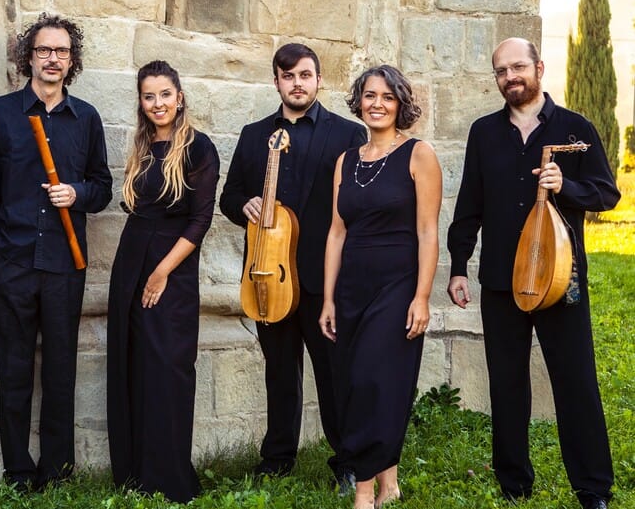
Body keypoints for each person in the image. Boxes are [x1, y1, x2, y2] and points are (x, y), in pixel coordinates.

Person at [446, 38, 618, 509]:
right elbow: (470, 205)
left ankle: (593, 489)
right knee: (506, 383)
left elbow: (607, 194)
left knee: (576, 381)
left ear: (539, 67)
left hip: (562, 277)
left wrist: (569, 186)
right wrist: (459, 266)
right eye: (501, 71)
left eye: (518, 66)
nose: (510, 77)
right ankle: (514, 483)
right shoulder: (484, 132)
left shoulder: (575, 129)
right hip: (501, 279)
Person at [0, 13, 113, 490]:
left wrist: (77, 194)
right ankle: (17, 469)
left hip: (63, 266)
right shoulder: (0, 113)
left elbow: (103, 187)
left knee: (60, 370)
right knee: (12, 370)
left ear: (72, 61)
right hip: (12, 261)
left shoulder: (87, 118)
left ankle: (57, 470)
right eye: (43, 50)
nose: (52, 59)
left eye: (62, 52)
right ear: (27, 57)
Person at [219, 43, 366, 488]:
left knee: (334, 374)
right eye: (288, 76)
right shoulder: (252, 134)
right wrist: (243, 203)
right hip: (269, 273)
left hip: (323, 279)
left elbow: (358, 206)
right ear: (277, 82)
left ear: (319, 80)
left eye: (305, 75)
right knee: (280, 371)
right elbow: (229, 197)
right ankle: (277, 458)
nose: (296, 83)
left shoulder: (348, 134)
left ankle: (348, 463)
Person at [318, 65, 441, 509]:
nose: (377, 104)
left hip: (397, 286)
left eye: (387, 97)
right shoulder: (346, 161)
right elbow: (336, 232)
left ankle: (364, 491)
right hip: (351, 287)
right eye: (370, 95)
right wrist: (329, 298)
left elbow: (428, 232)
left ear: (400, 104)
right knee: (358, 383)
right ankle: (389, 481)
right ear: (359, 101)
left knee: (375, 380)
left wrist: (422, 297)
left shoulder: (418, 154)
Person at [106, 60, 219, 503]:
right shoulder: (141, 144)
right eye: (149, 96)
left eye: (165, 94)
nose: (158, 104)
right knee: (132, 364)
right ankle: (134, 472)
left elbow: (201, 220)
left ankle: (169, 476)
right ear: (141, 100)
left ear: (180, 96)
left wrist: (160, 272)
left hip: (171, 267)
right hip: (130, 262)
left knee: (168, 369)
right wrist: (141, 271)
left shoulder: (198, 148)